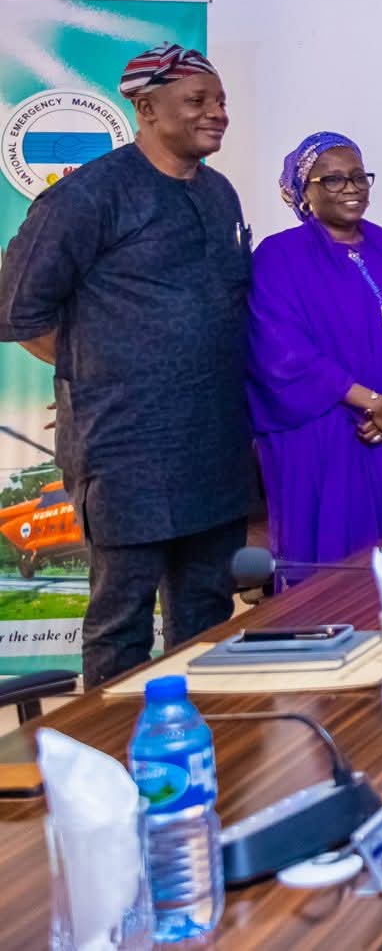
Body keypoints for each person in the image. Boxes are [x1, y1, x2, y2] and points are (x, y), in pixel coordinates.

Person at [0, 43, 254, 685]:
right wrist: (100, 369)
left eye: (221, 101)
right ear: (146, 109)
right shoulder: (86, 198)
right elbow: (18, 311)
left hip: (215, 450)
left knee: (209, 616)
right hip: (126, 454)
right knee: (122, 624)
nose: (217, 113)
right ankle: (111, 749)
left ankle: (199, 742)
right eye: (198, 100)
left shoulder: (220, 194)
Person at [248, 133, 382, 565]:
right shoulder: (279, 256)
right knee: (332, 561)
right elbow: (281, 352)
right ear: (302, 192)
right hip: (323, 433)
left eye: (358, 177)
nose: (351, 188)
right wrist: (373, 403)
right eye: (332, 179)